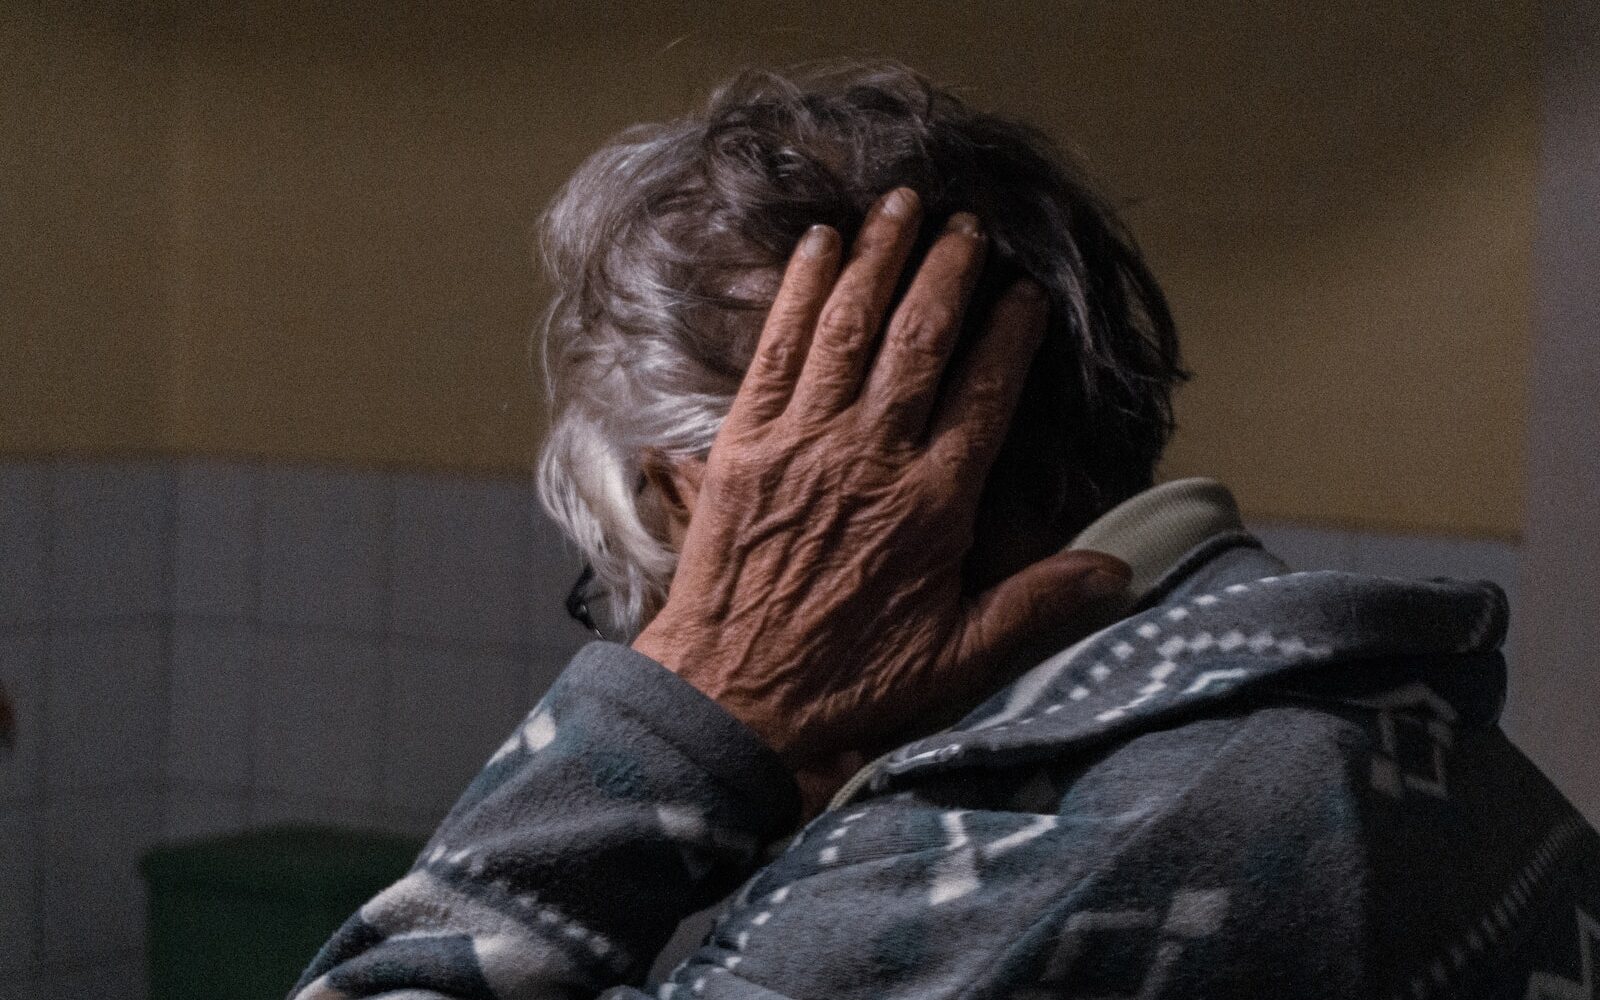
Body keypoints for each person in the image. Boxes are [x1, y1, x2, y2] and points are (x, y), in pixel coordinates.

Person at [290, 63, 1599, 1000]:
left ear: (738, 521)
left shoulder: (1004, 883)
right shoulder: (1379, 720)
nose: (649, 624)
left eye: (640, 587)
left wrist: (676, 720)